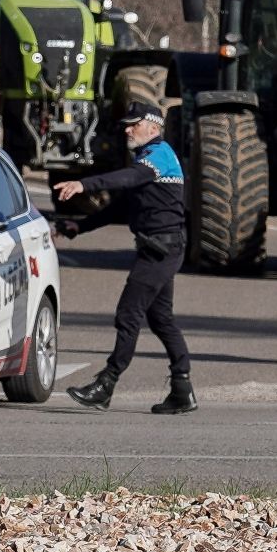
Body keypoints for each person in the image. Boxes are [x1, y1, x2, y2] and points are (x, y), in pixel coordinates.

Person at [51, 101, 196, 415]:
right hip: (159, 248)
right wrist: (80, 227)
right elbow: (121, 207)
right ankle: (182, 390)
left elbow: (126, 179)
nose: (128, 130)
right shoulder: (147, 159)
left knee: (128, 314)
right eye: (127, 125)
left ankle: (106, 384)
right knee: (161, 319)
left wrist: (83, 184)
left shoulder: (159, 156)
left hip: (161, 251)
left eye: (134, 124)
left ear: (153, 127)